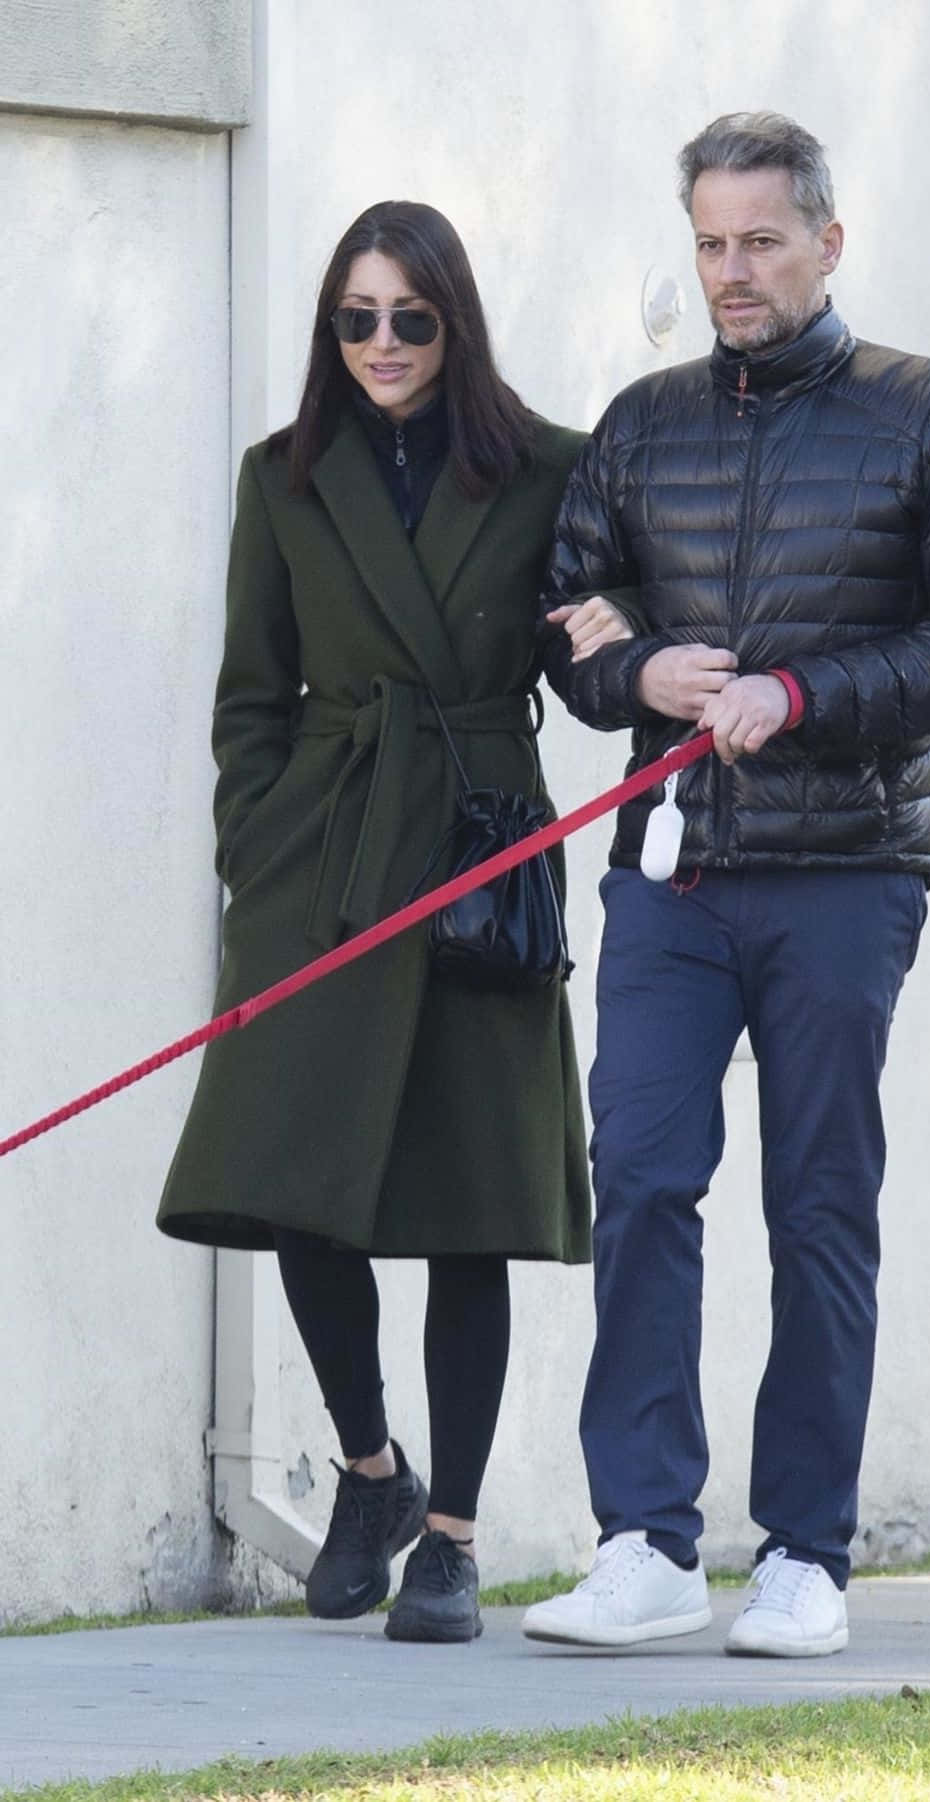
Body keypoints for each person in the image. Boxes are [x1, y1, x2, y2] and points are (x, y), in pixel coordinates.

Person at [522, 113, 930, 1657]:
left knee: (818, 1205)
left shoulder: (926, 414)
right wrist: (638, 671)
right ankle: (646, 1542)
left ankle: (805, 1553)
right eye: (710, 243)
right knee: (646, 1184)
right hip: (669, 882)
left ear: (828, 239)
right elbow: (567, 608)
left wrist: (801, 695)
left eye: (760, 240)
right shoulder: (643, 420)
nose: (732, 271)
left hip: (846, 873)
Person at [157, 200, 630, 1644]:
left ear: (455, 324)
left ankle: (452, 1535)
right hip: (323, 864)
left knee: (467, 1203)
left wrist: (630, 649)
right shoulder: (283, 479)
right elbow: (253, 694)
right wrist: (259, 854)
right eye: (354, 319)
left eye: (409, 319)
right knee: (301, 1178)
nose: (381, 345)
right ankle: (370, 1466)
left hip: (481, 853)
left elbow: (599, 651)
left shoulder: (550, 467)